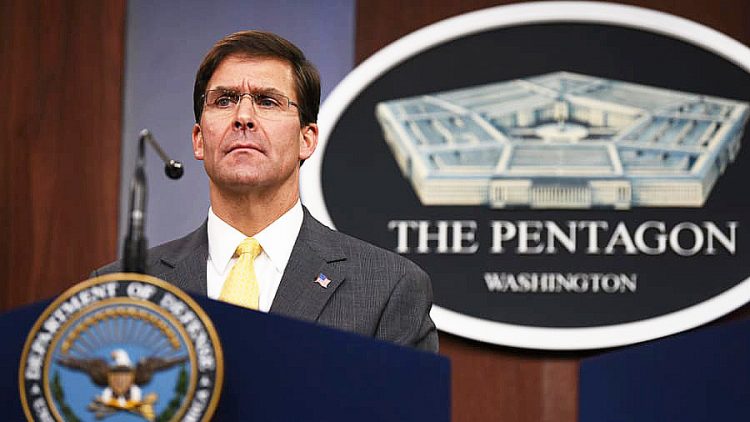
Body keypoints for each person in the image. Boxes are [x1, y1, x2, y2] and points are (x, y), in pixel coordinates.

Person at [95, 30, 438, 352]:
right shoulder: (119, 288)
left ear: (307, 139)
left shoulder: (387, 289)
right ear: (199, 139)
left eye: (268, 101)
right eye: (225, 100)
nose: (243, 116)